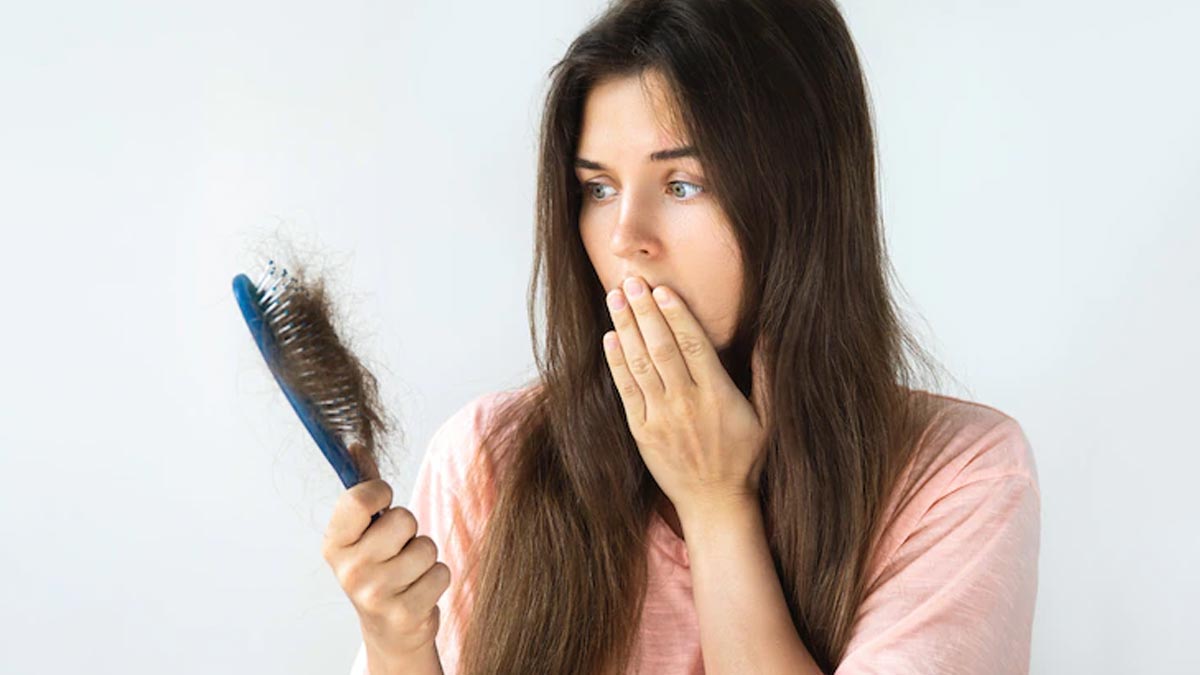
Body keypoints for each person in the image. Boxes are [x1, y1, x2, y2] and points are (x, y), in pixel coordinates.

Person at [323, 0, 1041, 673]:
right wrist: (398, 646)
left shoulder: (961, 476)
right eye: (598, 189)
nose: (625, 237)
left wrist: (715, 504)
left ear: (801, 202)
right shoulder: (487, 458)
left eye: (683, 184)